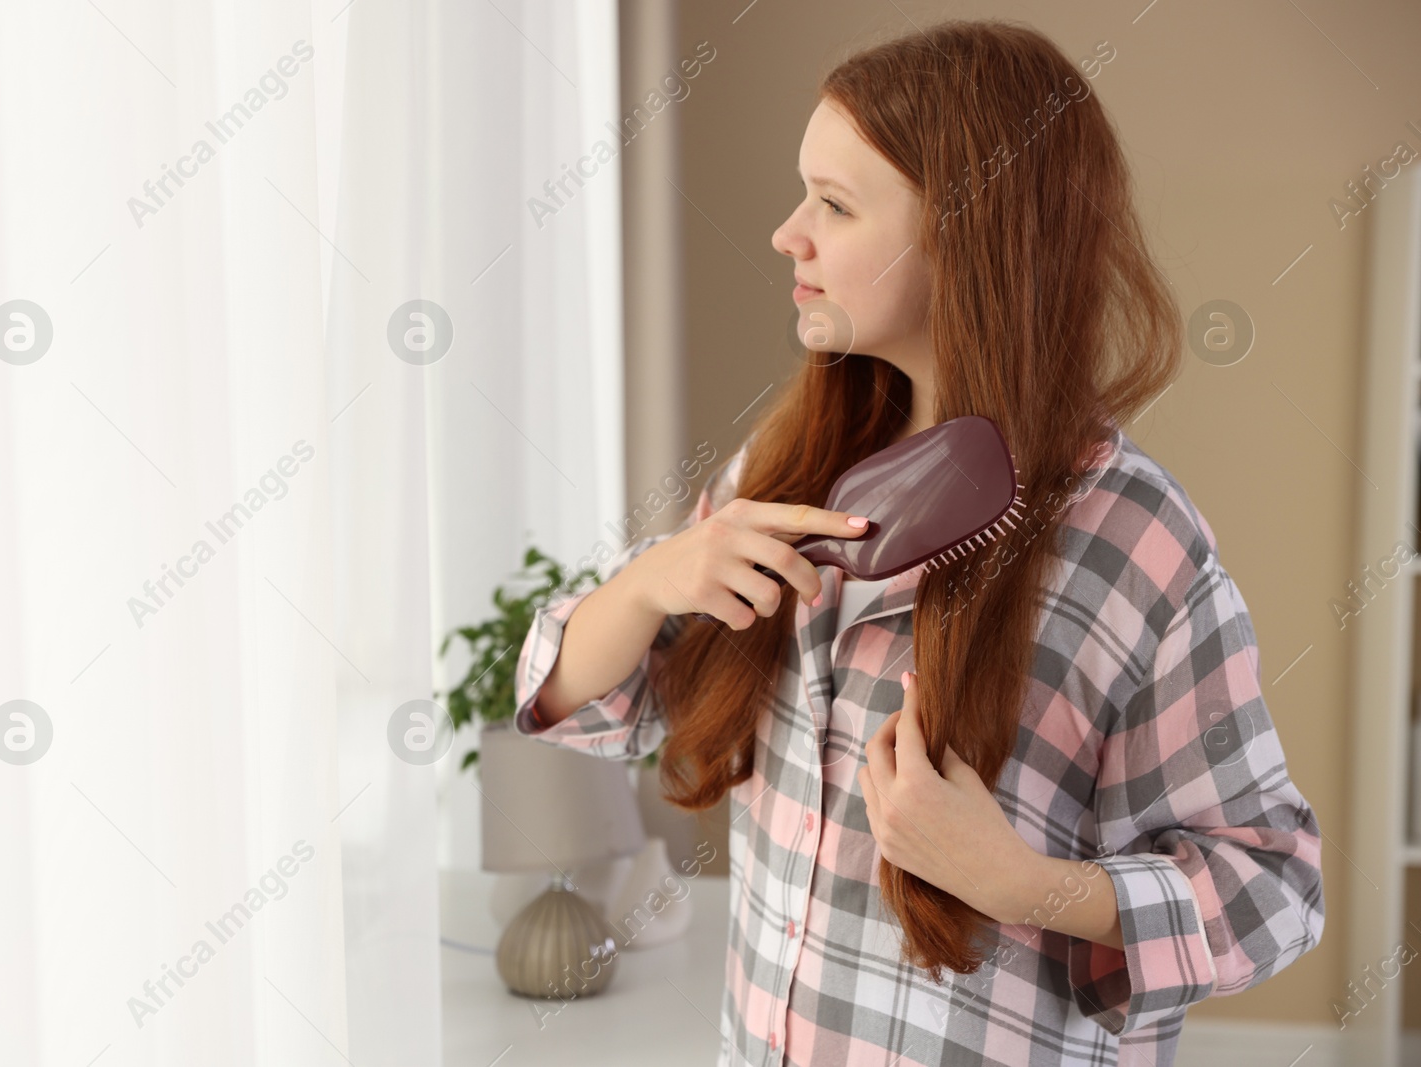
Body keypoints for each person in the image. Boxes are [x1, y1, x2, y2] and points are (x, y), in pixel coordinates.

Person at [511, 18, 1324, 1067]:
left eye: (834, 205)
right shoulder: (782, 472)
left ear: (967, 234)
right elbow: (584, 708)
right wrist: (644, 585)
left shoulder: (1136, 544)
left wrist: (1022, 883)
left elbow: (1274, 890)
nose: (785, 234)